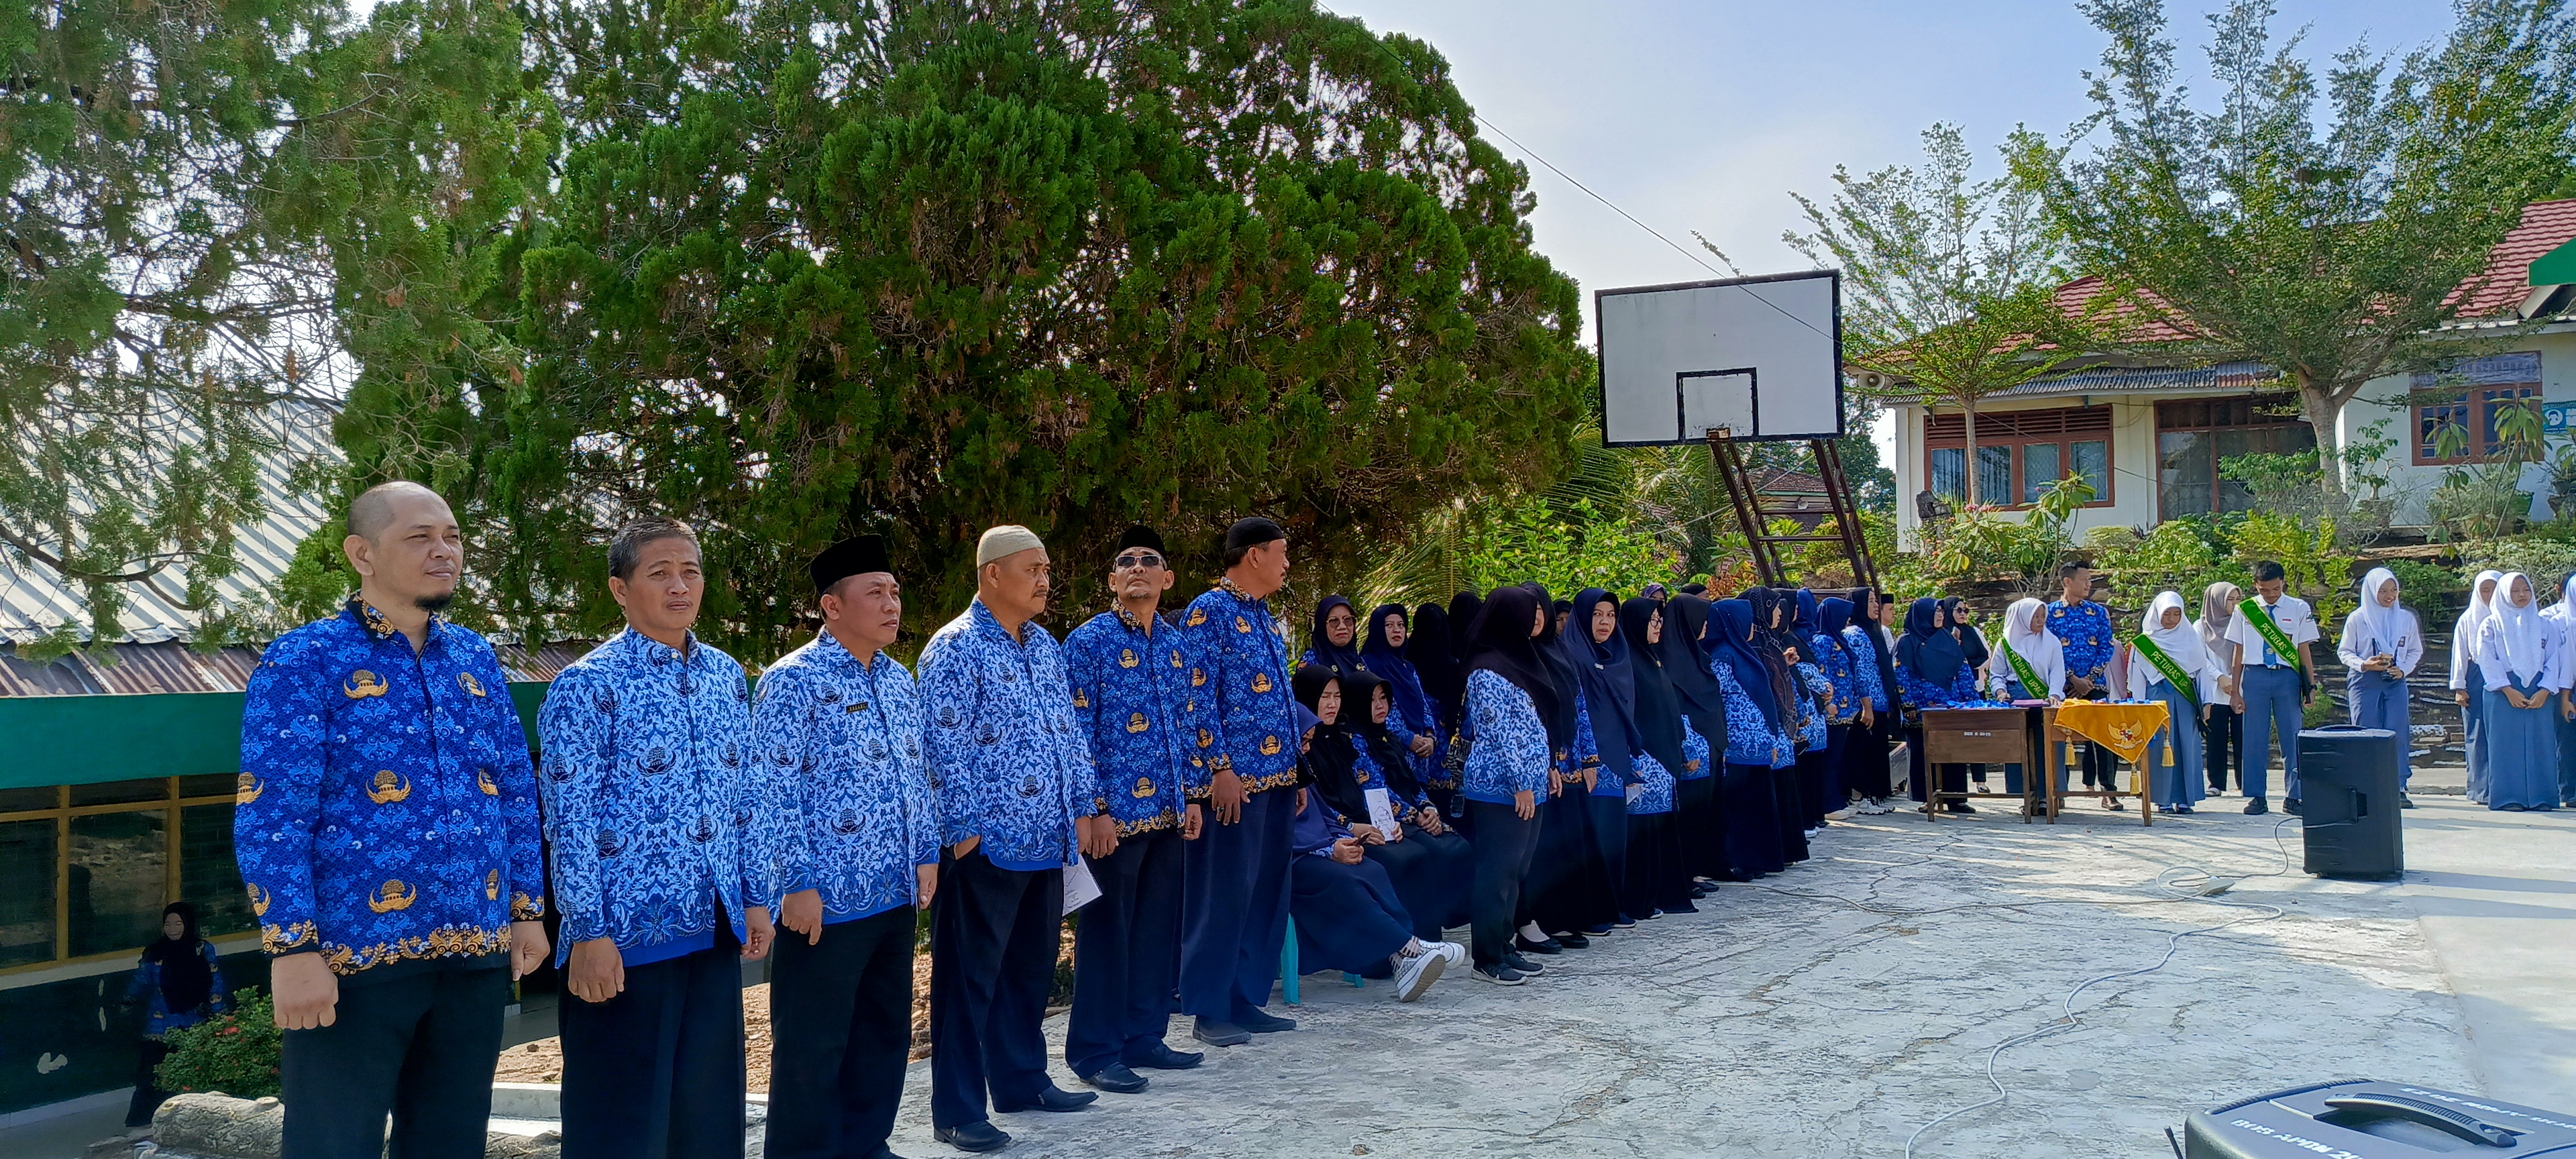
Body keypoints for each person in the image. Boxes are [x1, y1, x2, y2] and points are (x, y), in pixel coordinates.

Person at [235, 482, 549, 1159]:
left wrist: (526, 910)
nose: (445, 552)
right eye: (420, 537)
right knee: (331, 1145)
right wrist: (293, 949)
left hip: (475, 953)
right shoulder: (303, 659)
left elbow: (514, 793)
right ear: (362, 554)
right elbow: (273, 813)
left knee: (451, 1143)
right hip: (352, 959)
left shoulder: (476, 659)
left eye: (453, 537)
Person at [538, 518, 775, 1159]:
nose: (679, 586)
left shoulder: (725, 675)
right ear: (620, 589)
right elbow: (569, 821)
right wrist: (588, 931)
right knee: (622, 1125)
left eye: (690, 572)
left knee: (708, 1117)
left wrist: (756, 897)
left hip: (712, 928)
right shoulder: (586, 685)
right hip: (623, 942)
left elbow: (745, 798)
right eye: (660, 573)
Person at [757, 535, 945, 1159]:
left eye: (894, 592)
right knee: (813, 1045)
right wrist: (795, 883)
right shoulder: (793, 681)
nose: (892, 604)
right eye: (875, 593)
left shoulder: (898, 679)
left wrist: (925, 852)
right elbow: (774, 790)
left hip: (893, 893)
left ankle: (867, 1146)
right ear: (832, 606)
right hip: (825, 902)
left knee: (883, 1033)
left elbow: (916, 774)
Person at [918, 525, 1102, 1152]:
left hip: (1047, 838)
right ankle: (957, 1111)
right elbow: (941, 747)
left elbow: (1068, 732)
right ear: (993, 574)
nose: (1046, 580)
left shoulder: (1044, 645)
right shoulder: (955, 647)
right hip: (986, 848)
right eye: (1033, 569)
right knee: (967, 984)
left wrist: (1082, 806)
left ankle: (1022, 1082)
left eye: (1047, 569)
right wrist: (964, 833)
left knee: (1029, 970)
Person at [1059, 526, 1208, 1097]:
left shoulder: (1176, 646)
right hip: (1113, 821)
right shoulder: (1088, 643)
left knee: (1154, 931)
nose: (1138, 567)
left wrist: (1191, 796)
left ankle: (1144, 1036)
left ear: (1167, 578)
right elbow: (1075, 734)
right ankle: (1095, 1051)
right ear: (1112, 580)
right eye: (1126, 561)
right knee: (1106, 934)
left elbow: (1187, 725)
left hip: (1168, 814)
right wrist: (1093, 809)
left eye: (1149, 560)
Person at [1175, 518, 1303, 1046]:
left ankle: (1244, 998)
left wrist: (1297, 773)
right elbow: (1195, 696)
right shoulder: (1208, 611)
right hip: (1234, 784)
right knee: (1224, 895)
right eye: (1281, 552)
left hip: (1278, 780)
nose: (1287, 563)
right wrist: (1219, 768)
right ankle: (1210, 1008)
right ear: (1254, 555)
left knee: (1265, 894)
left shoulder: (1263, 614)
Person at [1283, 708, 1463, 1001]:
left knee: (1373, 868)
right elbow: (1276, 833)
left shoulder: (1301, 773)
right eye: (1302, 741)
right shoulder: (1273, 777)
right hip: (1293, 861)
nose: (1306, 748)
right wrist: (1329, 851)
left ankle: (1403, 956)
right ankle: (1410, 949)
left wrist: (1346, 838)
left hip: (1319, 850)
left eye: (1309, 741)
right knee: (1345, 882)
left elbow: (1326, 816)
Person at [1293, 666, 1472, 944]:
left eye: (1337, 696)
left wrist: (1395, 820)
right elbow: (1322, 807)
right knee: (1399, 861)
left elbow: (1379, 786)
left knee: (1420, 855)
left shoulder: (1340, 739)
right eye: (1324, 696)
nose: (1332, 704)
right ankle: (1400, 948)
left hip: (1365, 822)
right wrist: (1354, 826)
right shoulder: (1303, 748)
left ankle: (1425, 944)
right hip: (1334, 833)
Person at [1456, 587, 1556, 985]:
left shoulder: (1519, 661)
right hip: (1500, 787)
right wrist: (1521, 783)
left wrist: (1547, 768)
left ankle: (1505, 944)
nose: (1533, 621)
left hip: (1529, 784)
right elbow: (1501, 733)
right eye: (1526, 614)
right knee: (1497, 871)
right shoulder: (1486, 669)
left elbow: (1535, 723)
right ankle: (1487, 957)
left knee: (1517, 868)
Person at [1341, 669, 1475, 934]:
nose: (1380, 706)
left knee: (1458, 846)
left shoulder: (1387, 737)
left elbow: (1412, 782)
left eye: (1383, 698)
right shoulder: (1354, 741)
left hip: (1412, 813)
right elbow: (1373, 789)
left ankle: (1448, 921)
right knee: (1423, 856)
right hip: (1386, 818)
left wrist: (1428, 808)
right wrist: (1416, 816)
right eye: (1371, 700)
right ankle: (1423, 936)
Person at [1619, 596, 1695, 918]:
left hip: (1665, 760)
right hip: (1645, 760)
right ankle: (1640, 901)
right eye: (1652, 620)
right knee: (1643, 836)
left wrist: (1682, 747)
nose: (1658, 626)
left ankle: (1657, 896)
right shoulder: (1628, 663)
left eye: (1660, 620)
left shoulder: (1653, 659)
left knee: (1660, 833)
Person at [1707, 599, 1795, 875]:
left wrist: (1769, 738)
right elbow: (1716, 698)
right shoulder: (1723, 655)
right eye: (1747, 620)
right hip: (1736, 747)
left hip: (1758, 745)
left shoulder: (1744, 653)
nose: (1753, 626)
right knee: (1738, 808)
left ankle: (1757, 861)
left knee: (1756, 806)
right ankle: (1736, 861)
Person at [2226, 560, 2320, 818]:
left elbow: (2303, 649)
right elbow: (2238, 652)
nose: (2271, 594)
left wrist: (2310, 686)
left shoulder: (2299, 608)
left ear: (2283, 583)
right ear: (2255, 585)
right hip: (2255, 676)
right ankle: (2256, 796)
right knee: (2254, 738)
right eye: (2265, 590)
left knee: (2292, 736)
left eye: (2276, 589)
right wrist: (2235, 691)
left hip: (2287, 677)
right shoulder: (2245, 610)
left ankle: (2294, 796)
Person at [125, 902, 228, 1127]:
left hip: (194, 1021)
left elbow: (215, 982)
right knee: (152, 1072)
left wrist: (219, 1014)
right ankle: (145, 1121)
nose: (172, 929)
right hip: (160, 1023)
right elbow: (141, 979)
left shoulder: (202, 949)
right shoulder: (155, 953)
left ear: (188, 924)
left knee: (193, 1072)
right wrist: (128, 999)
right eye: (168, 924)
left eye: (178, 924)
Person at [1654, 594, 1730, 886]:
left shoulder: (1697, 656)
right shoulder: (1669, 661)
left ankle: (1694, 871)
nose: (1706, 626)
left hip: (1708, 750)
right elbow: (1673, 709)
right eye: (1701, 620)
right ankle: (1683, 877)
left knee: (1702, 816)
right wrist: (1686, 749)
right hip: (1689, 755)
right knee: (1686, 818)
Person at [2474, 573, 2567, 811]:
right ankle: (2508, 797)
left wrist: (2545, 690)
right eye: (2515, 591)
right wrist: (2508, 690)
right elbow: (2487, 659)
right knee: (2506, 745)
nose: (2522, 595)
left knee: (2541, 744)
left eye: (2525, 589)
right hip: (2502, 691)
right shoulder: (2491, 625)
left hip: (2539, 690)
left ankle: (2542, 798)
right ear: (2504, 594)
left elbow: (2554, 659)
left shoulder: (2544, 624)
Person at [2337, 567, 2422, 806]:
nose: (2389, 595)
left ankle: (2398, 786)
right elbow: (2345, 651)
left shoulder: (2405, 619)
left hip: (2394, 681)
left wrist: (2403, 669)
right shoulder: (2358, 618)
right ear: (2372, 592)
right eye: (2383, 591)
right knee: (2366, 732)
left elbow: (2415, 650)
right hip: (2364, 681)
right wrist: (2365, 664)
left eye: (2393, 590)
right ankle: (2365, 787)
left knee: (2397, 732)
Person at [2127, 591, 2214, 814]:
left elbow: (2201, 672)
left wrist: (2207, 703)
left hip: (2186, 700)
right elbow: (2138, 677)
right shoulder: (2145, 643)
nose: (2172, 619)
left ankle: (2185, 799)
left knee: (2186, 746)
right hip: (2155, 699)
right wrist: (2138, 705)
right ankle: (2162, 799)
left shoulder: (2191, 638)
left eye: (2177, 614)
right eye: (2167, 614)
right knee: (2160, 748)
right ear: (2157, 614)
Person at [1896, 597, 1984, 814]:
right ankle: (1928, 797)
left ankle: (1956, 798)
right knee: (1925, 754)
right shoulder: (1907, 642)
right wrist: (1908, 706)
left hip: (1951, 709)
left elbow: (1962, 671)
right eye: (1936, 611)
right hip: (1921, 711)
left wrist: (1972, 702)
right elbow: (1901, 675)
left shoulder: (1947, 639)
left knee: (1953, 752)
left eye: (1941, 611)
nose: (1940, 615)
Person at [1359, 604, 1446, 805]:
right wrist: (1407, 738)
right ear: (1378, 628)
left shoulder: (1408, 667)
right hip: (1389, 756)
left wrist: (1430, 737)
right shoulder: (1366, 666)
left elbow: (1424, 706)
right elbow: (1370, 711)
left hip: (1419, 756)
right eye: (1389, 625)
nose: (1396, 630)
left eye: (1401, 625)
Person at [2047, 563, 2118, 804]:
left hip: (2094, 685)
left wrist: (2089, 679)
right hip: (2063, 687)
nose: (2089, 584)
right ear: (2068, 581)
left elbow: (2106, 647)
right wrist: (2071, 678)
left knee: (2104, 739)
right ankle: (2059, 792)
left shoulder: (2097, 612)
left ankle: (2108, 791)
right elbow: (2050, 650)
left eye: (2090, 580)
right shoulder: (2050, 614)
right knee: (2059, 738)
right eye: (2084, 579)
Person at [1985, 597, 2065, 803]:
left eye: (2043, 616)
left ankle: (2048, 796)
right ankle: (2024, 796)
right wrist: (2000, 691)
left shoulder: (2052, 642)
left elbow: (2057, 672)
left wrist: (2055, 695)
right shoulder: (2005, 644)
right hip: (2015, 703)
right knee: (2019, 747)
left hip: (2044, 702)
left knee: (2044, 748)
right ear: (2022, 618)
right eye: (2035, 616)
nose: (2040, 620)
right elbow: (1997, 674)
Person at [2453, 571, 2504, 806]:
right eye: (2485, 590)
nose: (2490, 594)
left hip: (2506, 675)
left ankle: (2504, 787)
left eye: (2495, 589)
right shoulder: (2468, 618)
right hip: (2476, 676)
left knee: (2503, 733)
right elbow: (2460, 654)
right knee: (2477, 733)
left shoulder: (2511, 615)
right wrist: (2459, 686)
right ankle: (2481, 790)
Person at [2194, 584, 2246, 797]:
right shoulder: (2200, 626)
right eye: (2230, 600)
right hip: (2215, 691)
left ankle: (2246, 782)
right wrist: (2220, 677)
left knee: (2243, 737)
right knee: (2216, 739)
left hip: (2241, 689)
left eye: (2238, 599)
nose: (2235, 604)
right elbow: (2199, 658)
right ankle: (2216, 783)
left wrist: (2235, 681)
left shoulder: (2244, 623)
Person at [1943, 598, 1994, 793]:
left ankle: (1980, 780)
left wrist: (1965, 664)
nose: (1963, 614)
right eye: (1958, 610)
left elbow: (1985, 655)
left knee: (1976, 734)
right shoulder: (1942, 633)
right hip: (1950, 692)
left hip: (1974, 687)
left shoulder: (1972, 632)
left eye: (1966, 610)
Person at [2551, 576, 2576, 808]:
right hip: (2569, 687)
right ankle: (2570, 792)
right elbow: (2567, 664)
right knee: (2568, 743)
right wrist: (2565, 697)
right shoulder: (2561, 623)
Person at [1301, 595, 1366, 681]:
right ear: (1322, 626)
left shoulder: (1357, 660)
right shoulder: (1311, 661)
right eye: (1334, 621)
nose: (1342, 627)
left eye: (1348, 620)